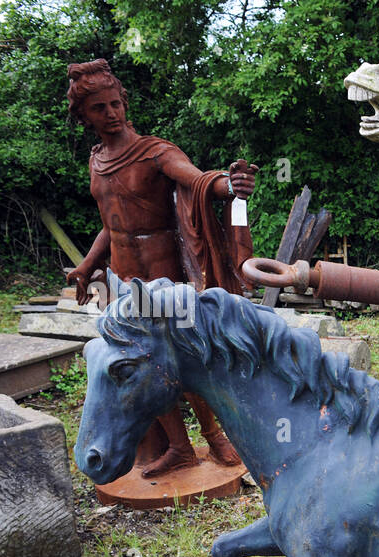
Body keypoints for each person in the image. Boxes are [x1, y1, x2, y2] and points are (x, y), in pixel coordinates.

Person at [65, 58, 256, 477]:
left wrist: (229, 185)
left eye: (116, 103)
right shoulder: (97, 161)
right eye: (100, 108)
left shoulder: (154, 152)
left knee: (186, 361)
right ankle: (179, 448)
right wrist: (86, 266)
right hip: (122, 285)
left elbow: (197, 181)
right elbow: (110, 225)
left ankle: (216, 437)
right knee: (138, 365)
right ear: (84, 116)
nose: (112, 113)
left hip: (167, 284)